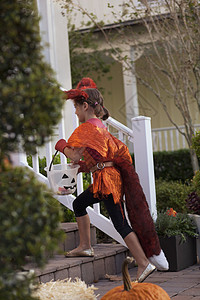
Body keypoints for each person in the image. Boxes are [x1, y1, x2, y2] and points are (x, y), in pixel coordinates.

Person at [55, 78, 169, 283]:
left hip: (106, 181)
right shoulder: (99, 126)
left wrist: (61, 145)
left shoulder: (87, 128)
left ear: (85, 106)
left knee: (120, 222)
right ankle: (85, 246)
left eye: (76, 108)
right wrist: (83, 167)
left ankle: (144, 263)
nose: (75, 112)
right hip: (107, 177)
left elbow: (73, 155)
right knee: (79, 203)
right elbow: (97, 157)